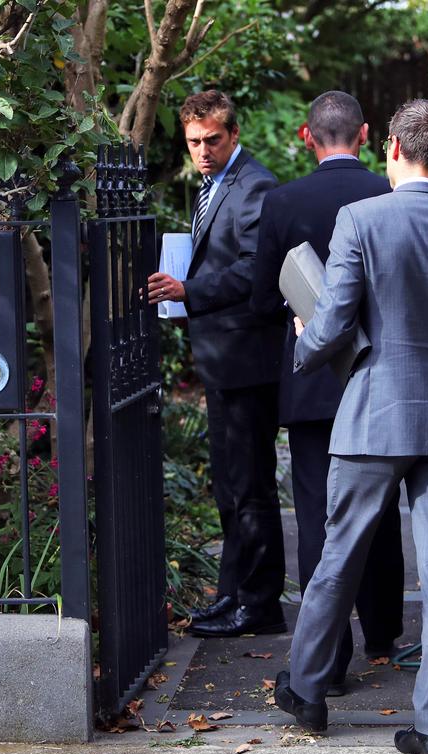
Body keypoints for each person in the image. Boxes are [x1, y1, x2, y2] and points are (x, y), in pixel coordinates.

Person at [273, 99, 428, 754]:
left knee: (337, 557)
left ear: (393, 149)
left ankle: (309, 693)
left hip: (374, 414)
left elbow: (336, 317)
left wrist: (304, 341)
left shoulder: (361, 219)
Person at [250, 91, 404, 693]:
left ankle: (329, 660)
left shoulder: (283, 201)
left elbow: (263, 298)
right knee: (383, 503)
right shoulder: (388, 194)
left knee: (318, 514)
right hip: (380, 373)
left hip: (314, 377)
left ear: (304, 137)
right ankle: (385, 629)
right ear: (366, 135)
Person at [146, 90, 285, 638]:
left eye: (211, 141)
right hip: (224, 359)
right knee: (230, 485)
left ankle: (259, 603)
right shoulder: (215, 183)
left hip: (248, 361)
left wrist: (189, 289)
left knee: (250, 486)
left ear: (232, 133)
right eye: (193, 142)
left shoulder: (255, 185)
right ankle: (234, 596)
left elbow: (256, 269)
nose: (202, 151)